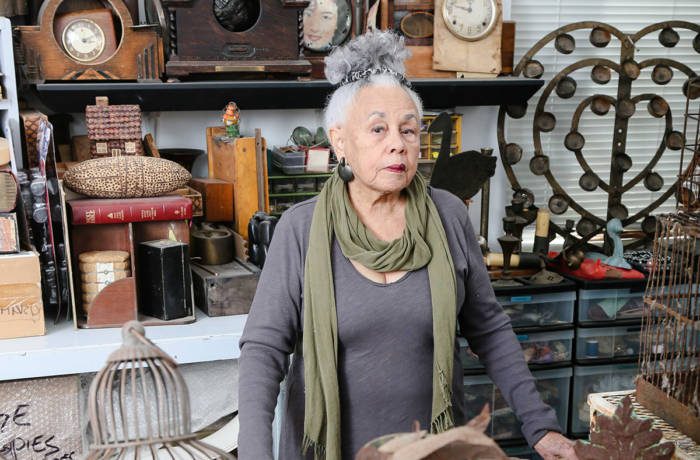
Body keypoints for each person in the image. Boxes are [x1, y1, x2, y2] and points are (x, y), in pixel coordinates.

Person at [238, 31, 577, 460]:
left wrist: (540, 425)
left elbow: (489, 330)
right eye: (377, 128)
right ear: (340, 141)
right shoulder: (300, 229)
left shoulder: (448, 215)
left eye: (409, 130)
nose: (397, 142)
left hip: (432, 449)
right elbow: (263, 351)